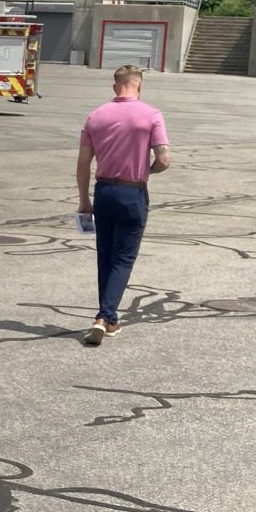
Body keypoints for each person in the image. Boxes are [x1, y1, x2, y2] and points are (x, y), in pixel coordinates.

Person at [76, 63, 171, 344]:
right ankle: (104, 316)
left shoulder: (96, 116)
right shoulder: (151, 115)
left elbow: (83, 163)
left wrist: (84, 200)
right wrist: (146, 170)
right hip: (133, 192)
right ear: (138, 86)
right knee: (124, 257)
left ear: (115, 86)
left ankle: (110, 319)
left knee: (105, 255)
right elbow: (164, 159)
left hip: (103, 191)